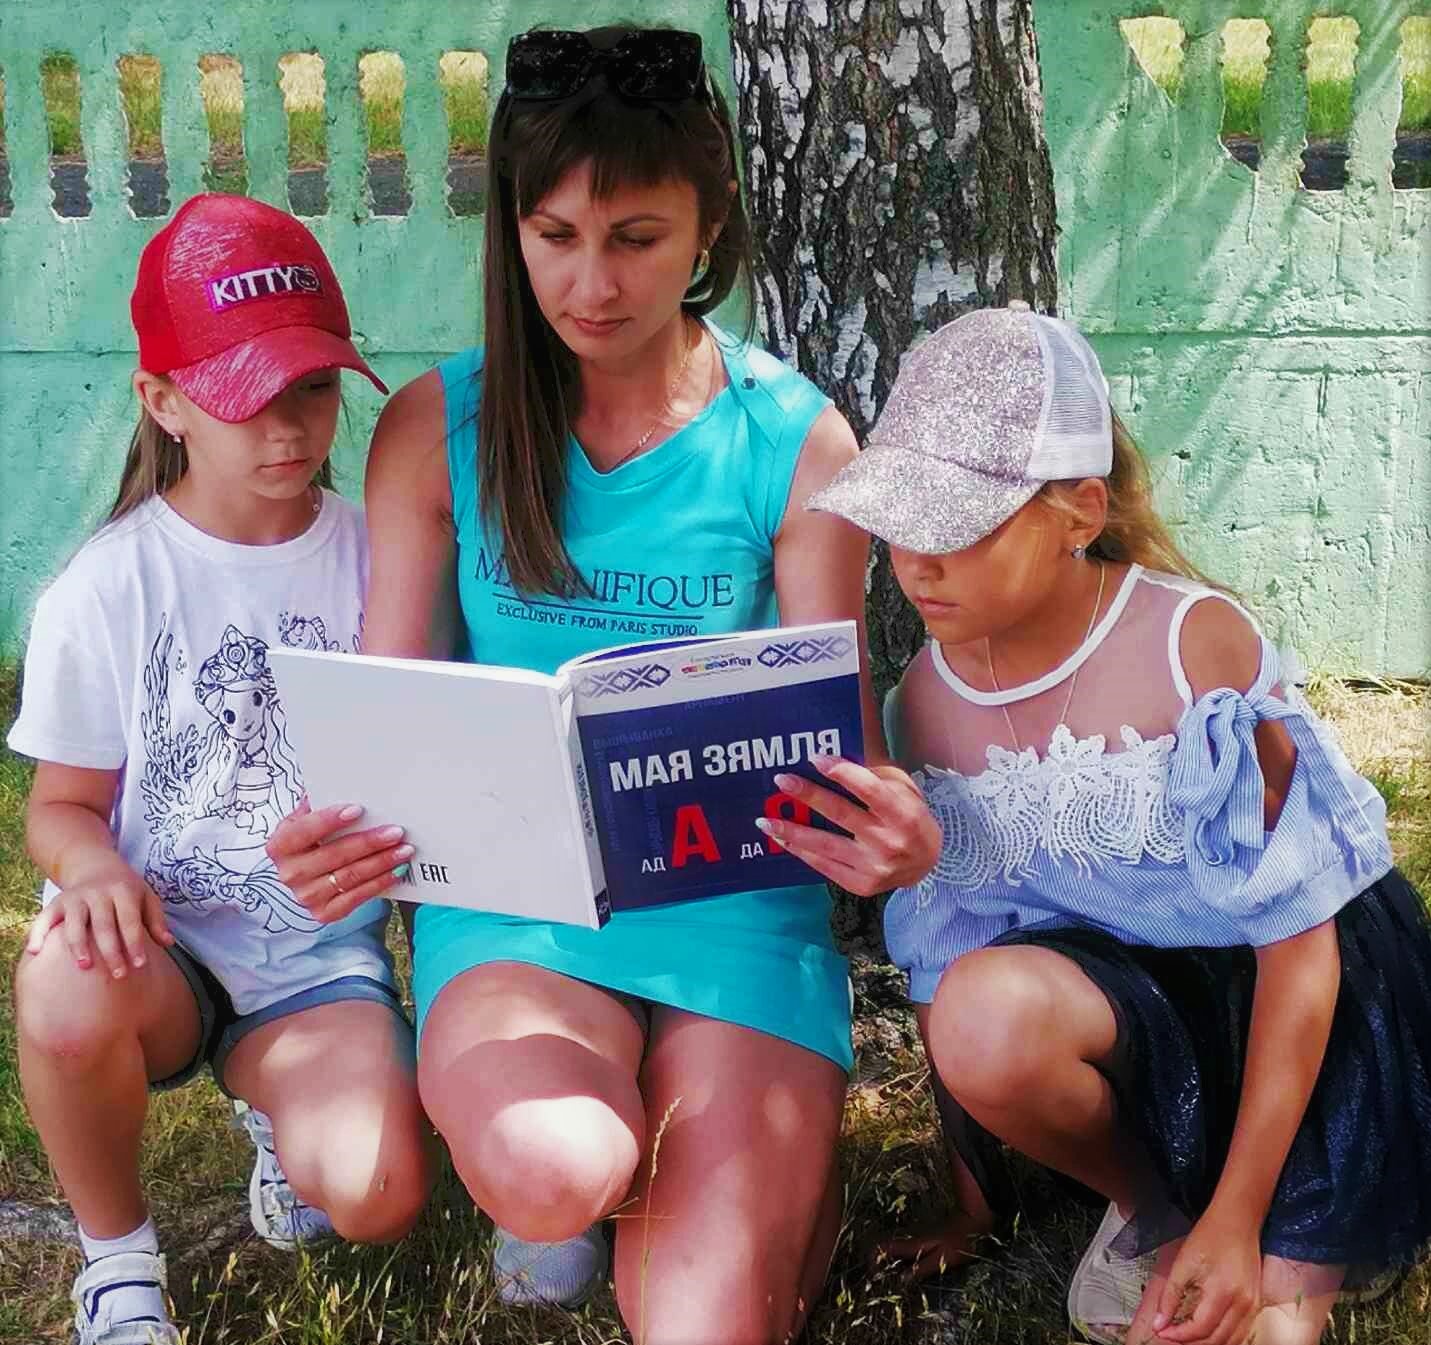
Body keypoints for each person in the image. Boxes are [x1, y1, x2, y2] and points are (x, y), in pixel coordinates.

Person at [266, 25, 939, 1341]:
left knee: (704, 1327)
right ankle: (613, 1167)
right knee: (555, 1162)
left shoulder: (793, 438)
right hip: (513, 921)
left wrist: (889, 832)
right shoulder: (438, 426)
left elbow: (839, 749)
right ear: (511, 230)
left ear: (707, 227)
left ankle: (718, 1174)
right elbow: (391, 712)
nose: (591, 282)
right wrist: (338, 839)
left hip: (734, 919)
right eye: (555, 235)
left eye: (636, 237)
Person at [801, 301, 1431, 1345]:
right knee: (979, 1007)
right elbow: (948, 953)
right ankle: (1156, 1206)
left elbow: (1301, 948)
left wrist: (1244, 1219)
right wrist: (971, 1206)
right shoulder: (926, 703)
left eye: (961, 528)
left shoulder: (1194, 648)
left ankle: (1250, 1217)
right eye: (902, 525)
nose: (917, 564)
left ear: (1079, 512)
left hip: (1295, 1014)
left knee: (1251, 1332)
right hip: (1140, 1017)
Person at [8, 194, 434, 1345]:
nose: (288, 429)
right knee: (60, 986)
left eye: (313, 388)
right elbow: (60, 807)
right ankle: (117, 1258)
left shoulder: (379, 554)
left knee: (378, 1193)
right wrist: (93, 869)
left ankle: (278, 1108)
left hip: (314, 963)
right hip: (155, 950)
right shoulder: (106, 587)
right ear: (164, 401)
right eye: (246, 396)